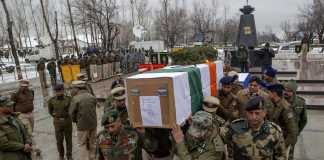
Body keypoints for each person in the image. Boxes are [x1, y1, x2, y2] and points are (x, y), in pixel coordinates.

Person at [69, 80, 97, 160]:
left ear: (77, 88)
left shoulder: (75, 99)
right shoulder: (91, 96)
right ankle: (93, 158)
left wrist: (76, 120)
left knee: (82, 144)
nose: (72, 90)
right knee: (93, 143)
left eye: (73, 88)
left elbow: (71, 113)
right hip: (93, 124)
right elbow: (94, 108)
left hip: (82, 126)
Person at [266, 84, 298, 152]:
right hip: (274, 141)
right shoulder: (274, 104)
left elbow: (293, 133)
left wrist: (282, 147)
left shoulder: (285, 108)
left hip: (281, 144)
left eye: (269, 93)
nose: (267, 95)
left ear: (274, 94)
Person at [0, 95, 33, 160]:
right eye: (8, 106)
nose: (11, 107)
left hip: (25, 154)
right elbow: (4, 144)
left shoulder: (14, 117)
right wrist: (23, 147)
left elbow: (25, 132)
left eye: (11, 105)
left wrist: (28, 142)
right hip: (11, 157)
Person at [283, 80, 307, 160]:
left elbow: (304, 120)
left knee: (290, 153)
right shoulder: (280, 100)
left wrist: (297, 131)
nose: (285, 92)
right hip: (281, 132)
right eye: (285, 90)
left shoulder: (300, 103)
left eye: (289, 91)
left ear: (293, 92)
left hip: (293, 133)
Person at [48, 84, 73, 160]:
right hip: (57, 122)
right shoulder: (51, 100)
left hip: (67, 121)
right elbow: (50, 111)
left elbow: (72, 109)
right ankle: (61, 156)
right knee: (59, 140)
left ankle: (69, 155)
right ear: (55, 92)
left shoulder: (69, 99)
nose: (59, 92)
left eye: (60, 90)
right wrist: (57, 117)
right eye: (57, 91)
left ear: (63, 90)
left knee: (69, 139)